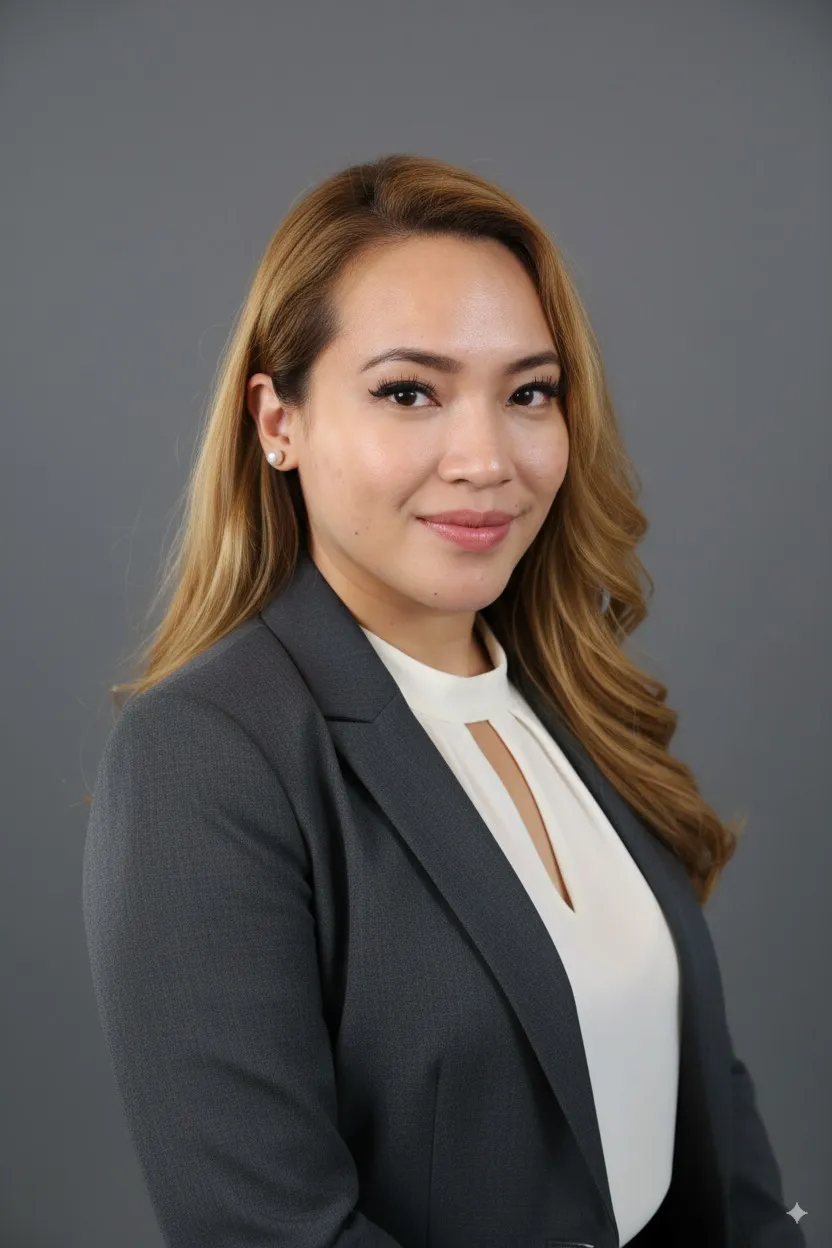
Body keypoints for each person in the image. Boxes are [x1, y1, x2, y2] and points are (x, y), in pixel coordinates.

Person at [82, 153, 805, 1248]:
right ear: (278, 423)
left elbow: (706, 1105)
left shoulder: (574, 705)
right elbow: (268, 1229)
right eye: (408, 392)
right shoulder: (206, 753)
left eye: (528, 393)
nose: (486, 459)